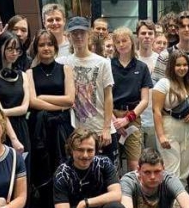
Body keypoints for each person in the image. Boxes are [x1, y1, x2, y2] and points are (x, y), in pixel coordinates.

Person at [26, 30, 74, 208]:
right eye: (41, 45)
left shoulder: (65, 69)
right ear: (36, 48)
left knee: (61, 169)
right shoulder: (29, 73)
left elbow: (70, 99)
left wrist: (43, 97)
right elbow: (31, 101)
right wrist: (57, 104)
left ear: (55, 47)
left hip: (62, 128)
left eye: (49, 44)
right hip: (39, 129)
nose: (46, 48)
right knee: (43, 172)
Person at [57, 17, 117, 162]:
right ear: (68, 36)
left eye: (82, 33)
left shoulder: (103, 63)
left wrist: (107, 128)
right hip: (76, 131)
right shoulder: (62, 62)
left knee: (106, 170)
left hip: (100, 128)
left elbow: (108, 96)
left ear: (89, 34)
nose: (78, 36)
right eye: (74, 33)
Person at [152, 50, 189, 183]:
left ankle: (182, 195)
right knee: (171, 169)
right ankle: (172, 196)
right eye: (178, 65)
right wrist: (161, 136)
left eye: (185, 65)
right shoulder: (163, 83)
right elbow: (156, 111)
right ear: (171, 66)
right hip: (169, 127)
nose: (182, 68)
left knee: (185, 170)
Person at [110, 27, 153, 172]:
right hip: (111, 116)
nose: (121, 44)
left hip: (133, 116)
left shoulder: (142, 67)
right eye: (118, 42)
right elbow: (104, 97)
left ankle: (133, 187)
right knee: (113, 164)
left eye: (124, 40)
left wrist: (127, 119)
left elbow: (145, 100)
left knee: (135, 165)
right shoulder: (108, 65)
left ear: (132, 42)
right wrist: (114, 121)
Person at [153, 11, 189, 82]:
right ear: (177, 30)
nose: (187, 29)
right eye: (183, 26)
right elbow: (156, 83)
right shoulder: (165, 56)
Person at [135, 20, 159, 150]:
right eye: (143, 33)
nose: (147, 36)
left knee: (153, 158)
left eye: (150, 33)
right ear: (137, 36)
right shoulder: (132, 59)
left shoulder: (161, 60)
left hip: (154, 119)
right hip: (135, 118)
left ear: (155, 36)